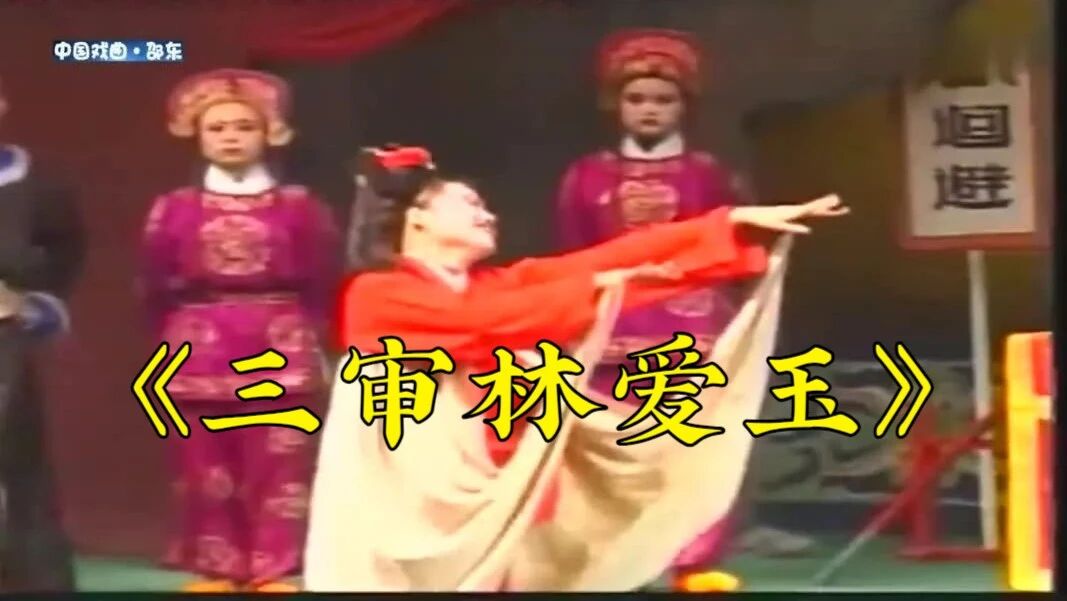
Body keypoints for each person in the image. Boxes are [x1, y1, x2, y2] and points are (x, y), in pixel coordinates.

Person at [304, 146, 847, 592]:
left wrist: (728, 225)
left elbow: (603, 261)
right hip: (409, 501)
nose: (488, 214)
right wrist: (599, 286)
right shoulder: (377, 293)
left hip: (482, 480)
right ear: (417, 218)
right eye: (469, 203)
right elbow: (485, 323)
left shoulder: (492, 284)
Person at [554, 29, 752, 589]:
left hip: (691, 329)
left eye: (663, 100)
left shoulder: (708, 174)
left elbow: (735, 248)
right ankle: (619, 558)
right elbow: (572, 256)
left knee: (694, 446)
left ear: (683, 107)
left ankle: (694, 562)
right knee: (616, 449)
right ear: (615, 105)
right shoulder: (586, 177)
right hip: (612, 328)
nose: (649, 110)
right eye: (636, 98)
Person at [139, 68, 340, 593]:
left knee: (280, 462)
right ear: (198, 135)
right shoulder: (173, 209)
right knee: (204, 464)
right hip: (198, 346)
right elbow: (154, 284)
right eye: (218, 127)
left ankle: (275, 568)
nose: (230, 137)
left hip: (280, 340)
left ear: (269, 132)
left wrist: (312, 340)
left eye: (244, 126)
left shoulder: (300, 207)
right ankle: (217, 567)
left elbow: (322, 278)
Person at [0, 76, 86, 591]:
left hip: (4, 342)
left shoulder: (34, 184)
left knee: (18, 463)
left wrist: (31, 304)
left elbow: (65, 250)